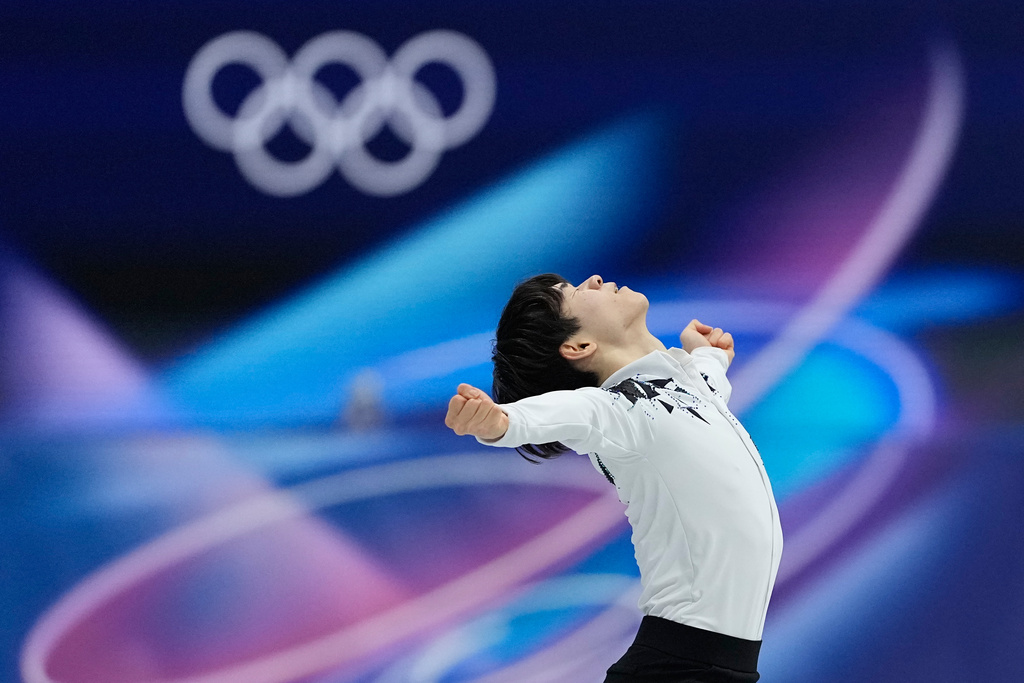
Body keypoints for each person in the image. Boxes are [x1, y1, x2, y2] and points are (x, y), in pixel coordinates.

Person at [445, 273, 783, 682]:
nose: (594, 279)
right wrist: (496, 422)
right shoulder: (612, 409)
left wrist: (709, 356)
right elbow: (552, 416)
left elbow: (706, 388)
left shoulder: (689, 386)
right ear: (578, 347)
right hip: (675, 669)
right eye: (573, 293)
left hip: (723, 668)